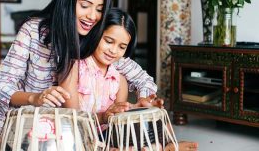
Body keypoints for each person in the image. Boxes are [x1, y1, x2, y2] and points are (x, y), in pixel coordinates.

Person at [0, 0, 158, 151]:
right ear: (68, 0)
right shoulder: (34, 31)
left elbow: (143, 79)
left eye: (99, 9)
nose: (92, 16)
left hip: (62, 135)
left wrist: (143, 100)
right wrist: (34, 98)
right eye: (85, 5)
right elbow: (0, 86)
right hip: (8, 121)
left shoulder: (99, 42)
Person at [61, 8, 198, 151]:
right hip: (77, 136)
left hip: (107, 134)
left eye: (122, 47)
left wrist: (140, 105)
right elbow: (74, 120)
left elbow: (118, 118)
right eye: (108, 41)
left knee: (152, 113)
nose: (113, 51)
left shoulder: (118, 78)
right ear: (95, 33)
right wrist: (103, 117)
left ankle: (168, 144)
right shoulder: (73, 67)